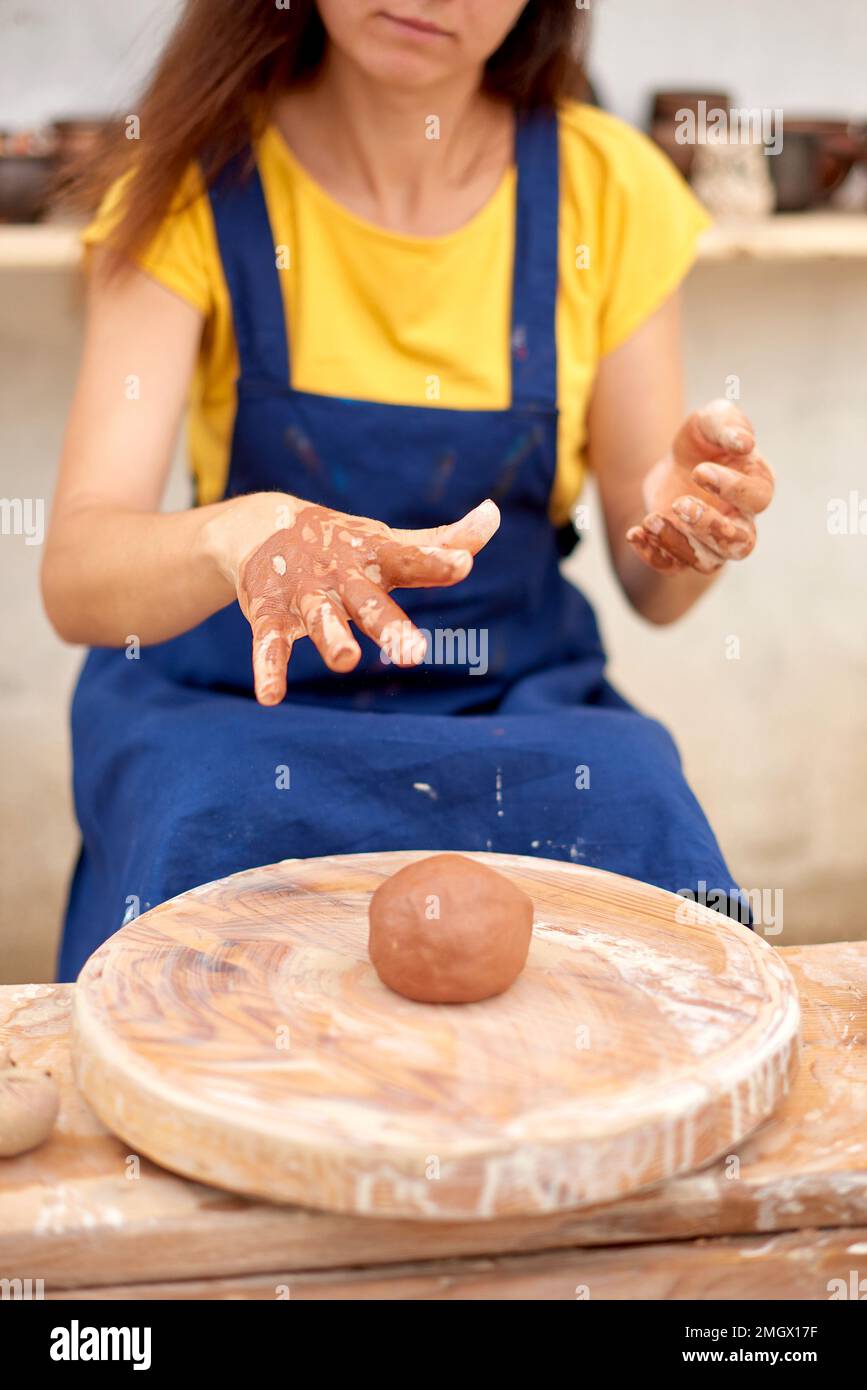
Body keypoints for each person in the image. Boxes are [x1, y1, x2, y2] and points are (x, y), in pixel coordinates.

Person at [43, 1, 775, 980]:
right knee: (216, 820)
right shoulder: (195, 177)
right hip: (235, 702)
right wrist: (242, 534)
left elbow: (657, 592)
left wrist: (694, 524)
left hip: (511, 699)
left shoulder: (607, 186)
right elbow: (79, 576)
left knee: (634, 801)